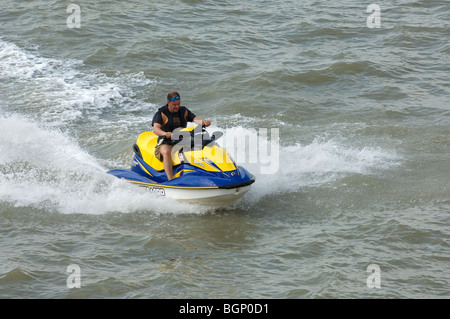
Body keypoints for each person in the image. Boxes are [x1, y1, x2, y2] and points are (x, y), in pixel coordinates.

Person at [152, 91, 211, 180]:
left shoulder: (183, 111)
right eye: (174, 104)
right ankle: (170, 180)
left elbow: (196, 119)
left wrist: (204, 122)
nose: (177, 107)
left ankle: (204, 174)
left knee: (201, 146)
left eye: (178, 104)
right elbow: (155, 129)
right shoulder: (161, 113)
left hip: (181, 140)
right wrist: (165, 133)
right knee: (166, 152)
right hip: (166, 141)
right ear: (168, 103)